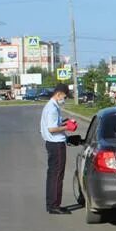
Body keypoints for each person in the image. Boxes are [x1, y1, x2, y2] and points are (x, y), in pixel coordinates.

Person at [40, 84, 76, 215]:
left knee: (52, 175)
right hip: (56, 145)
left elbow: (54, 124)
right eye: (64, 96)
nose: (64, 99)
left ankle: (52, 203)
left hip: (52, 143)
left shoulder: (51, 106)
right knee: (57, 176)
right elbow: (52, 128)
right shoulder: (53, 108)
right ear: (59, 94)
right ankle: (55, 205)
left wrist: (64, 122)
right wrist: (68, 128)